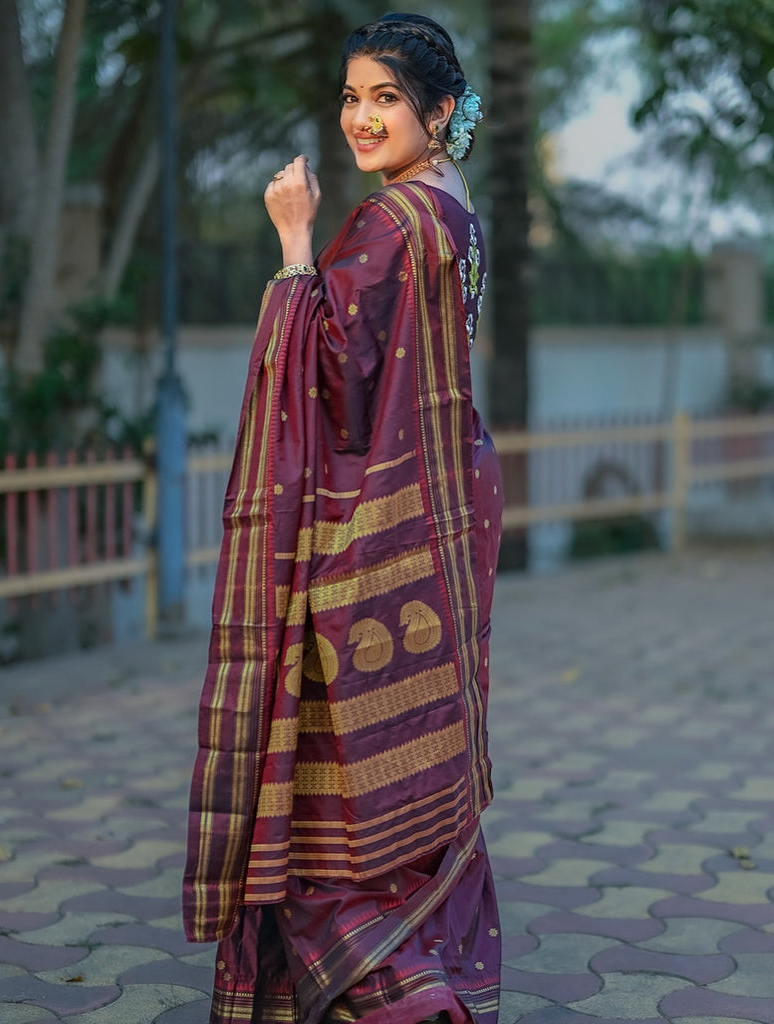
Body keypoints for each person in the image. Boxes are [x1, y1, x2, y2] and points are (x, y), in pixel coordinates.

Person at [183, 12, 504, 1024]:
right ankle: (429, 940)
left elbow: (328, 371)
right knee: (422, 718)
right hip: (449, 501)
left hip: (377, 517)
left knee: (341, 737)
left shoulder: (387, 222)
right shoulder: (455, 214)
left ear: (440, 111)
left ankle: (382, 977)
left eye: (386, 99)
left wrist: (289, 245)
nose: (361, 118)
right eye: (352, 96)